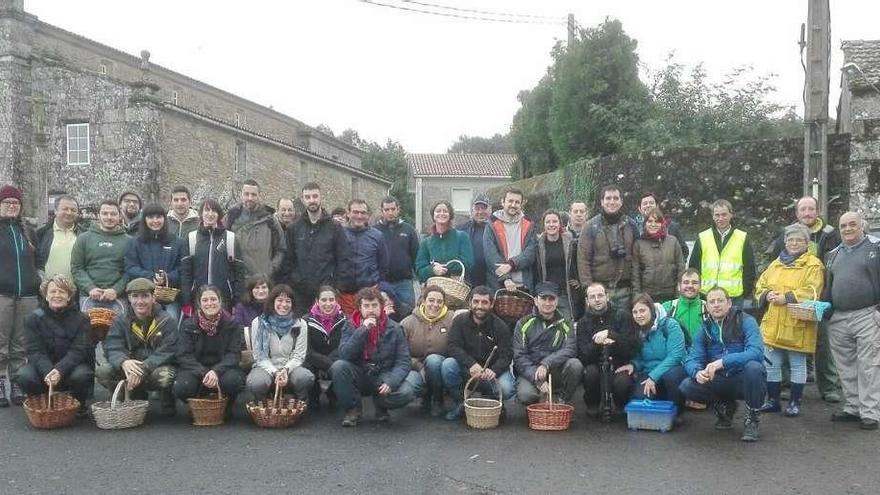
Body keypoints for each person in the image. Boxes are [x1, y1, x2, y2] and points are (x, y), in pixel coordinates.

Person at [768, 196, 842, 403]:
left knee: (823, 346)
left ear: (817, 211)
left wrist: (829, 298)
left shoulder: (830, 234)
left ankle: (829, 387)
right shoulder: (786, 234)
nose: (807, 213)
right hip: (788, 303)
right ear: (797, 213)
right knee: (785, 342)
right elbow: (773, 266)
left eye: (811, 209)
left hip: (820, 300)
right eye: (803, 209)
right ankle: (786, 385)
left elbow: (836, 268)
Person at [754, 223, 824, 417]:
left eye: (799, 240)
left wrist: (787, 297)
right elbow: (760, 285)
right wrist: (767, 295)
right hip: (774, 322)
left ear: (806, 243)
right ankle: (773, 400)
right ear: (785, 242)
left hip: (797, 323)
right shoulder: (775, 264)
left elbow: (813, 290)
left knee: (797, 365)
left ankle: (794, 402)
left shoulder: (814, 265)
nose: (794, 243)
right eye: (790, 239)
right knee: (771, 364)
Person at [679, 286, 767, 442]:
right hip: (719, 379)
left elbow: (757, 352)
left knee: (755, 368)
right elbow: (692, 358)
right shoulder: (704, 328)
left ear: (729, 303)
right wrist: (696, 372)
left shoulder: (746, 321)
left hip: (743, 378)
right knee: (687, 385)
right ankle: (726, 406)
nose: (716, 305)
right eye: (711, 302)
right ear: (707, 306)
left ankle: (752, 418)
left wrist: (723, 362)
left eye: (720, 300)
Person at [822, 211, 880, 430]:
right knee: (845, 366)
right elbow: (829, 284)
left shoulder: (876, 248)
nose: (847, 229)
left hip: (868, 314)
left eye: (852, 224)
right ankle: (853, 408)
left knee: (869, 365)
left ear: (861, 226)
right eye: (843, 225)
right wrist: (826, 310)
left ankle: (870, 413)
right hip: (839, 317)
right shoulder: (834, 254)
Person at [330, 287, 416, 426]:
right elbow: (345, 354)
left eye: (374, 305)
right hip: (359, 373)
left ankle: (381, 405)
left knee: (406, 393)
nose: (371, 309)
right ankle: (353, 410)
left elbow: (403, 361)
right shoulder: (350, 325)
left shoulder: (395, 328)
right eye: (366, 306)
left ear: (381, 306)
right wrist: (362, 330)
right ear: (360, 307)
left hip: (382, 374)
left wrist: (391, 381)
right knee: (339, 367)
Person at [14, 274, 94, 415]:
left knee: (83, 374)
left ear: (69, 296)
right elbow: (34, 351)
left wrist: (59, 370)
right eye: (52, 291)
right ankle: (41, 404)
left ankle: (78, 405)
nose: (57, 295)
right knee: (23, 375)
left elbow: (79, 350)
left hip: (70, 369)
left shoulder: (82, 319)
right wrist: (48, 371)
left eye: (62, 291)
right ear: (45, 295)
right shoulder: (32, 319)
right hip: (43, 371)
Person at [96, 278, 177, 416]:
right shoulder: (120, 321)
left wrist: (143, 367)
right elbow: (112, 346)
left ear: (153, 298)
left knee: (166, 376)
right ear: (129, 298)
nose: (140, 301)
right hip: (129, 368)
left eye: (145, 296)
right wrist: (123, 362)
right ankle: (126, 395)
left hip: (152, 368)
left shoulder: (167, 320)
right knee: (103, 371)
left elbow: (168, 351)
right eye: (135, 296)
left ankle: (167, 399)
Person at [443, 286, 515, 421]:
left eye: (484, 302)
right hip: (468, 368)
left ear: (491, 304)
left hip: (491, 372)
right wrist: (471, 364)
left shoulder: (501, 326)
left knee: (507, 388)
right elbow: (452, 346)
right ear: (470, 302)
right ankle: (461, 402)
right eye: (476, 301)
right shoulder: (459, 321)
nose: (479, 306)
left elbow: (507, 354)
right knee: (448, 365)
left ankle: (495, 404)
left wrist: (494, 370)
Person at [279, 183, 352, 315]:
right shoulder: (294, 228)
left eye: (315, 196)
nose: (311, 200)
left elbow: (344, 259)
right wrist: (292, 284)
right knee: (302, 329)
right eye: (307, 197)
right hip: (300, 292)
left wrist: (337, 287)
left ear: (320, 197)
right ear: (303, 199)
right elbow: (288, 260)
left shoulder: (334, 228)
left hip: (326, 292)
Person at [0, 185, 41, 407]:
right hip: (2, 294)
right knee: (0, 342)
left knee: (20, 343)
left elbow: (39, 261)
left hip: (27, 294)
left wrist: (38, 281)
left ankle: (16, 382)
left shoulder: (28, 231)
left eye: (15, 203)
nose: (12, 206)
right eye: (7, 203)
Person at [174, 285, 246, 412]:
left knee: (234, 382)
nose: (209, 303)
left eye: (213, 299)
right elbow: (183, 355)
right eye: (205, 300)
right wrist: (203, 372)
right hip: (196, 369)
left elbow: (234, 354)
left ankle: (226, 405)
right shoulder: (188, 325)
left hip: (223, 369)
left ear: (220, 301)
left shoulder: (232, 324)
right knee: (181, 387)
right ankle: (198, 404)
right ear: (199, 303)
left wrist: (215, 371)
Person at [512, 282, 583, 405]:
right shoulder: (523, 323)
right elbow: (519, 357)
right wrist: (537, 378)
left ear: (557, 301)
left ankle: (562, 401)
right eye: (543, 298)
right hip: (530, 372)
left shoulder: (566, 323)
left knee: (575, 365)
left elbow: (570, 349)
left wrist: (546, 363)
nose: (547, 303)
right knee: (526, 395)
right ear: (535, 300)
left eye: (551, 299)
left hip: (555, 370)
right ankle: (538, 406)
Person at [245, 284, 314, 403]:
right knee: (256, 383)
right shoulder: (259, 323)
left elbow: (299, 355)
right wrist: (275, 371)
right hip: (265, 366)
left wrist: (285, 370)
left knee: (305, 377)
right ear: (272, 302)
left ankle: (300, 404)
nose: (284, 305)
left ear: (292, 304)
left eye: (288, 301)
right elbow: (259, 356)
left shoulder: (300, 324)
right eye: (280, 300)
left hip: (290, 366)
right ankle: (262, 405)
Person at [617, 294, 687, 413]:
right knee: (640, 400)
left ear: (652, 309)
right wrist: (634, 365)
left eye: (642, 310)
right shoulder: (636, 330)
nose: (639, 315)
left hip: (671, 370)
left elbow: (676, 356)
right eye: (635, 312)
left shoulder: (670, 325)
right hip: (648, 372)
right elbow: (640, 358)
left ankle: (677, 412)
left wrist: (654, 376)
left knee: (672, 376)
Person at [577, 184, 639, 310]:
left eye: (616, 198)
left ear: (621, 201)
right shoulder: (590, 227)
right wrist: (589, 289)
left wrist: (637, 290)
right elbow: (583, 260)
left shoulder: (631, 225)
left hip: (626, 291)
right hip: (599, 292)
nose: (612, 202)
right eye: (608, 198)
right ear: (602, 201)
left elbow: (638, 258)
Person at [576, 283, 635, 414]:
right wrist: (598, 343)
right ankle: (593, 404)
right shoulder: (582, 323)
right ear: (587, 301)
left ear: (607, 296)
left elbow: (630, 346)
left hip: (620, 363)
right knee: (590, 374)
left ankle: (621, 404)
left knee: (622, 382)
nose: (597, 299)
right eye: (592, 297)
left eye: (600, 295)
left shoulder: (622, 315)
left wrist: (611, 335)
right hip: (595, 363)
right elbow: (584, 356)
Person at [688, 199, 757, 308]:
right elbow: (694, 267)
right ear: (713, 216)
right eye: (717, 215)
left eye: (724, 214)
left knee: (733, 325)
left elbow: (750, 270)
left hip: (733, 298)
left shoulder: (742, 237)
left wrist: (744, 292)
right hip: (707, 296)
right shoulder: (703, 237)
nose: (721, 218)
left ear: (731, 215)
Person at [180, 198, 246, 310]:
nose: (210, 214)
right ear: (201, 213)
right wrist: (186, 300)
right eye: (206, 210)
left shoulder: (230, 238)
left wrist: (237, 301)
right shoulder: (191, 238)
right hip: (198, 299)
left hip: (225, 299)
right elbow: (185, 273)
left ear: (219, 215)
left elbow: (239, 273)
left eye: (214, 211)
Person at [400, 285, 456, 416]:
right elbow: (399, 355)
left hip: (442, 366)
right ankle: (425, 395)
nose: (435, 305)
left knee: (433, 360)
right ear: (423, 301)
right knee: (407, 388)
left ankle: (438, 399)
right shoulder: (407, 323)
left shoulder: (452, 319)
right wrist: (418, 366)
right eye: (431, 300)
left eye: (439, 301)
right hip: (415, 369)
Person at [124, 203, 184, 323]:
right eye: (151, 217)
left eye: (159, 217)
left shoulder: (176, 242)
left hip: (169, 298)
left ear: (164, 219)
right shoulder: (135, 242)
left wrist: (167, 277)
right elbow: (130, 267)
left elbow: (182, 267)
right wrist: (150, 277)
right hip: (143, 295)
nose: (155, 221)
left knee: (171, 322)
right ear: (144, 219)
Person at [70, 199, 130, 314]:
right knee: (89, 332)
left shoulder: (129, 241)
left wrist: (116, 290)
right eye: (105, 213)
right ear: (98, 215)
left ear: (119, 216)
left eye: (113, 214)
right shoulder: (83, 238)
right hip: (89, 297)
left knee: (118, 331)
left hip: (118, 298)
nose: (109, 217)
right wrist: (90, 288)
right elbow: (77, 268)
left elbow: (130, 271)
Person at [223, 179, 285, 281]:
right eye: (246, 194)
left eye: (253, 195)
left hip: (263, 282)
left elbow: (281, 249)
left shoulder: (270, 220)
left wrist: (271, 269)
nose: (250, 198)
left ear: (259, 195)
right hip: (238, 280)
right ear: (241, 195)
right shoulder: (231, 218)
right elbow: (220, 245)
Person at [339, 199, 388, 316]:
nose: (359, 216)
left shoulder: (377, 236)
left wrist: (377, 285)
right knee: (348, 327)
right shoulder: (339, 234)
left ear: (368, 215)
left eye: (363, 213)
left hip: (369, 294)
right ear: (348, 213)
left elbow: (384, 265)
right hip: (345, 294)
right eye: (355, 212)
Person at [484, 188, 537, 293]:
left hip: (524, 284)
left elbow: (531, 253)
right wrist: (506, 278)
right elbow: (490, 255)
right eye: (510, 201)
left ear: (521, 204)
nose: (513, 205)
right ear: (503, 202)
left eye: (517, 202)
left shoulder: (529, 224)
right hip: (499, 285)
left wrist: (511, 264)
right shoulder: (492, 224)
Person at [304, 285, 346, 409]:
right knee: (307, 367)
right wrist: (325, 363)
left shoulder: (345, 320)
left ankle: (334, 396)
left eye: (331, 300)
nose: (328, 303)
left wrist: (330, 363)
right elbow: (306, 350)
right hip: (313, 360)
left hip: (335, 359)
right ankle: (313, 397)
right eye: (324, 300)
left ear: (336, 301)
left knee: (342, 365)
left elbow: (344, 346)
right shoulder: (306, 320)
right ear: (317, 301)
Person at [632, 207, 685, 303]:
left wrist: (679, 293)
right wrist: (638, 297)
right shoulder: (639, 244)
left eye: (657, 222)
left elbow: (681, 268)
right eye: (650, 221)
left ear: (662, 224)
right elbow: (635, 273)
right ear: (645, 224)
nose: (653, 224)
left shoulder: (673, 241)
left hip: (670, 295)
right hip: (648, 296)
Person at [375, 196, 419, 310]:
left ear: (398, 209)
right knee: (383, 314)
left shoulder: (408, 230)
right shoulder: (374, 231)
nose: (390, 212)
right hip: (382, 283)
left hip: (404, 283)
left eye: (393, 209)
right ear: (382, 211)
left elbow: (416, 256)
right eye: (387, 209)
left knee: (407, 313)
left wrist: (421, 280)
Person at [415, 200, 474, 286]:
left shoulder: (462, 237)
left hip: (456, 288)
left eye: (445, 211)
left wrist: (444, 268)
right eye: (438, 211)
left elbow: (468, 263)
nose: (441, 213)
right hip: (434, 290)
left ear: (450, 215)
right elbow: (419, 269)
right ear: (433, 215)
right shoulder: (426, 242)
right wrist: (433, 270)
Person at [535, 209, 577, 321]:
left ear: (560, 224)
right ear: (543, 225)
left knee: (567, 327)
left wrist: (578, 280)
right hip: (546, 295)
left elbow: (577, 262)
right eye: (548, 222)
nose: (551, 224)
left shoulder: (570, 242)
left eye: (554, 221)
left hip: (564, 293)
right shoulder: (538, 245)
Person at [35, 195, 86, 281]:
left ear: (77, 213)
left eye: (73, 210)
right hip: (48, 291)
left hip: (77, 290)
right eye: (65, 209)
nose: (69, 212)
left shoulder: (84, 235)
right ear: (55, 211)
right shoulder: (41, 233)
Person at [661, 269, 708, 348]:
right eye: (686, 282)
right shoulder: (666, 308)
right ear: (679, 286)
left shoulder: (709, 308)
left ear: (700, 286)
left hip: (703, 356)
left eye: (694, 283)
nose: (690, 286)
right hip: (676, 356)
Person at [633, 192, 688, 257]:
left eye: (651, 203)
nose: (648, 205)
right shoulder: (634, 227)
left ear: (657, 206)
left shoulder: (671, 226)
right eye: (645, 204)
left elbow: (684, 251)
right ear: (639, 208)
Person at [458, 194, 491, 287]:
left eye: (484, 208)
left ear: (490, 210)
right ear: (472, 211)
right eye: (477, 209)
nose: (480, 212)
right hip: (469, 280)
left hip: (491, 280)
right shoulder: (462, 229)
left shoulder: (497, 228)